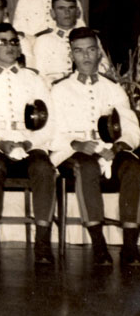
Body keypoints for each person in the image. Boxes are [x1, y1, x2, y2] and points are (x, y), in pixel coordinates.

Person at [0, 23, 56, 264]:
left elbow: (49, 123)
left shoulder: (34, 80)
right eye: (2, 42)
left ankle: (43, 242)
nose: (9, 46)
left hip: (28, 142)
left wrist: (29, 143)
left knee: (44, 167)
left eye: (14, 41)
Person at [50, 27, 140, 266]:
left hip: (109, 149)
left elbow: (131, 128)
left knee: (133, 167)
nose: (86, 56)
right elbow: (51, 131)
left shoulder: (113, 88)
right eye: (79, 51)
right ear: (71, 55)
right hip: (72, 151)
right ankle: (99, 244)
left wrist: (119, 146)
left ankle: (130, 245)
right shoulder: (59, 89)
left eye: (91, 50)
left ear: (99, 53)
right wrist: (76, 143)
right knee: (86, 166)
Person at [33, 0, 110, 86]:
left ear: (77, 12)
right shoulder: (43, 41)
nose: (67, 12)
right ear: (52, 13)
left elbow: (105, 66)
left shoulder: (90, 37)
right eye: (61, 8)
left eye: (71, 8)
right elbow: (40, 76)